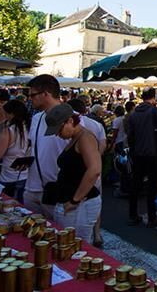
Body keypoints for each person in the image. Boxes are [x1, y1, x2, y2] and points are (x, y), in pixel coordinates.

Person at [44, 103, 102, 244]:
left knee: (75, 245)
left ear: (70, 121)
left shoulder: (85, 138)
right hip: (74, 202)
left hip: (80, 205)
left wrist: (75, 200)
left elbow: (94, 170)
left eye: (59, 129)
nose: (58, 134)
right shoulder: (77, 138)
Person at [127, 87, 157, 228]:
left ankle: (132, 215)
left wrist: (133, 149)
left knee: (135, 184)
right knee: (152, 186)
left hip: (137, 153)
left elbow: (130, 134)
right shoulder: (154, 111)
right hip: (152, 152)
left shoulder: (134, 113)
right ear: (153, 98)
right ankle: (152, 217)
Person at [23, 75, 66, 218]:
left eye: (32, 95)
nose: (30, 98)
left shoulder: (72, 119)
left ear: (46, 94)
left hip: (56, 191)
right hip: (32, 187)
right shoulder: (36, 118)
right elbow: (35, 146)